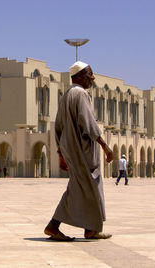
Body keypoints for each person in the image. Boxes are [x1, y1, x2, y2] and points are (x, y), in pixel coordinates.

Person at [44, 61, 114, 241]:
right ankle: (53, 225)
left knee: (84, 187)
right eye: (89, 74)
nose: (93, 78)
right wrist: (105, 146)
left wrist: (61, 154)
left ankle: (90, 229)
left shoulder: (66, 95)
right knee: (82, 187)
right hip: (83, 152)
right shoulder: (81, 94)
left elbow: (58, 127)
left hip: (71, 151)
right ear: (79, 76)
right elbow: (88, 124)